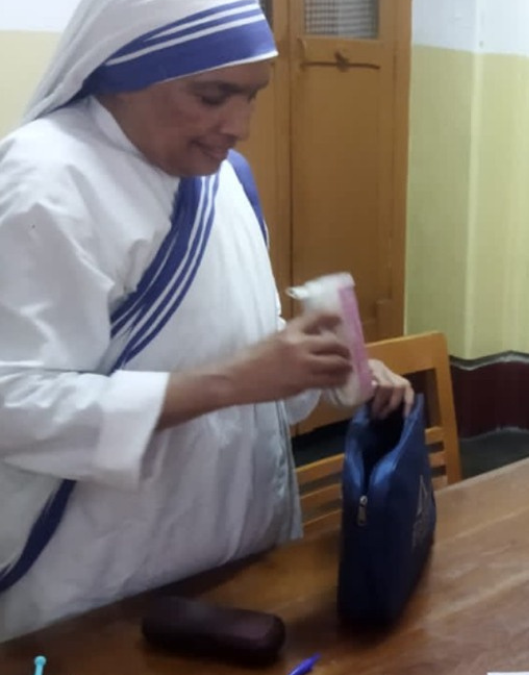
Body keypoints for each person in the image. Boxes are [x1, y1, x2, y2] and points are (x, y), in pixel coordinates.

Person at [0, 0, 413, 640]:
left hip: (246, 553)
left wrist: (318, 364)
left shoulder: (225, 177)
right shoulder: (44, 180)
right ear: (123, 72)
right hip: (104, 584)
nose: (240, 125)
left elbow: (245, 347)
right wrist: (233, 381)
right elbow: (14, 402)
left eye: (251, 96)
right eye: (213, 95)